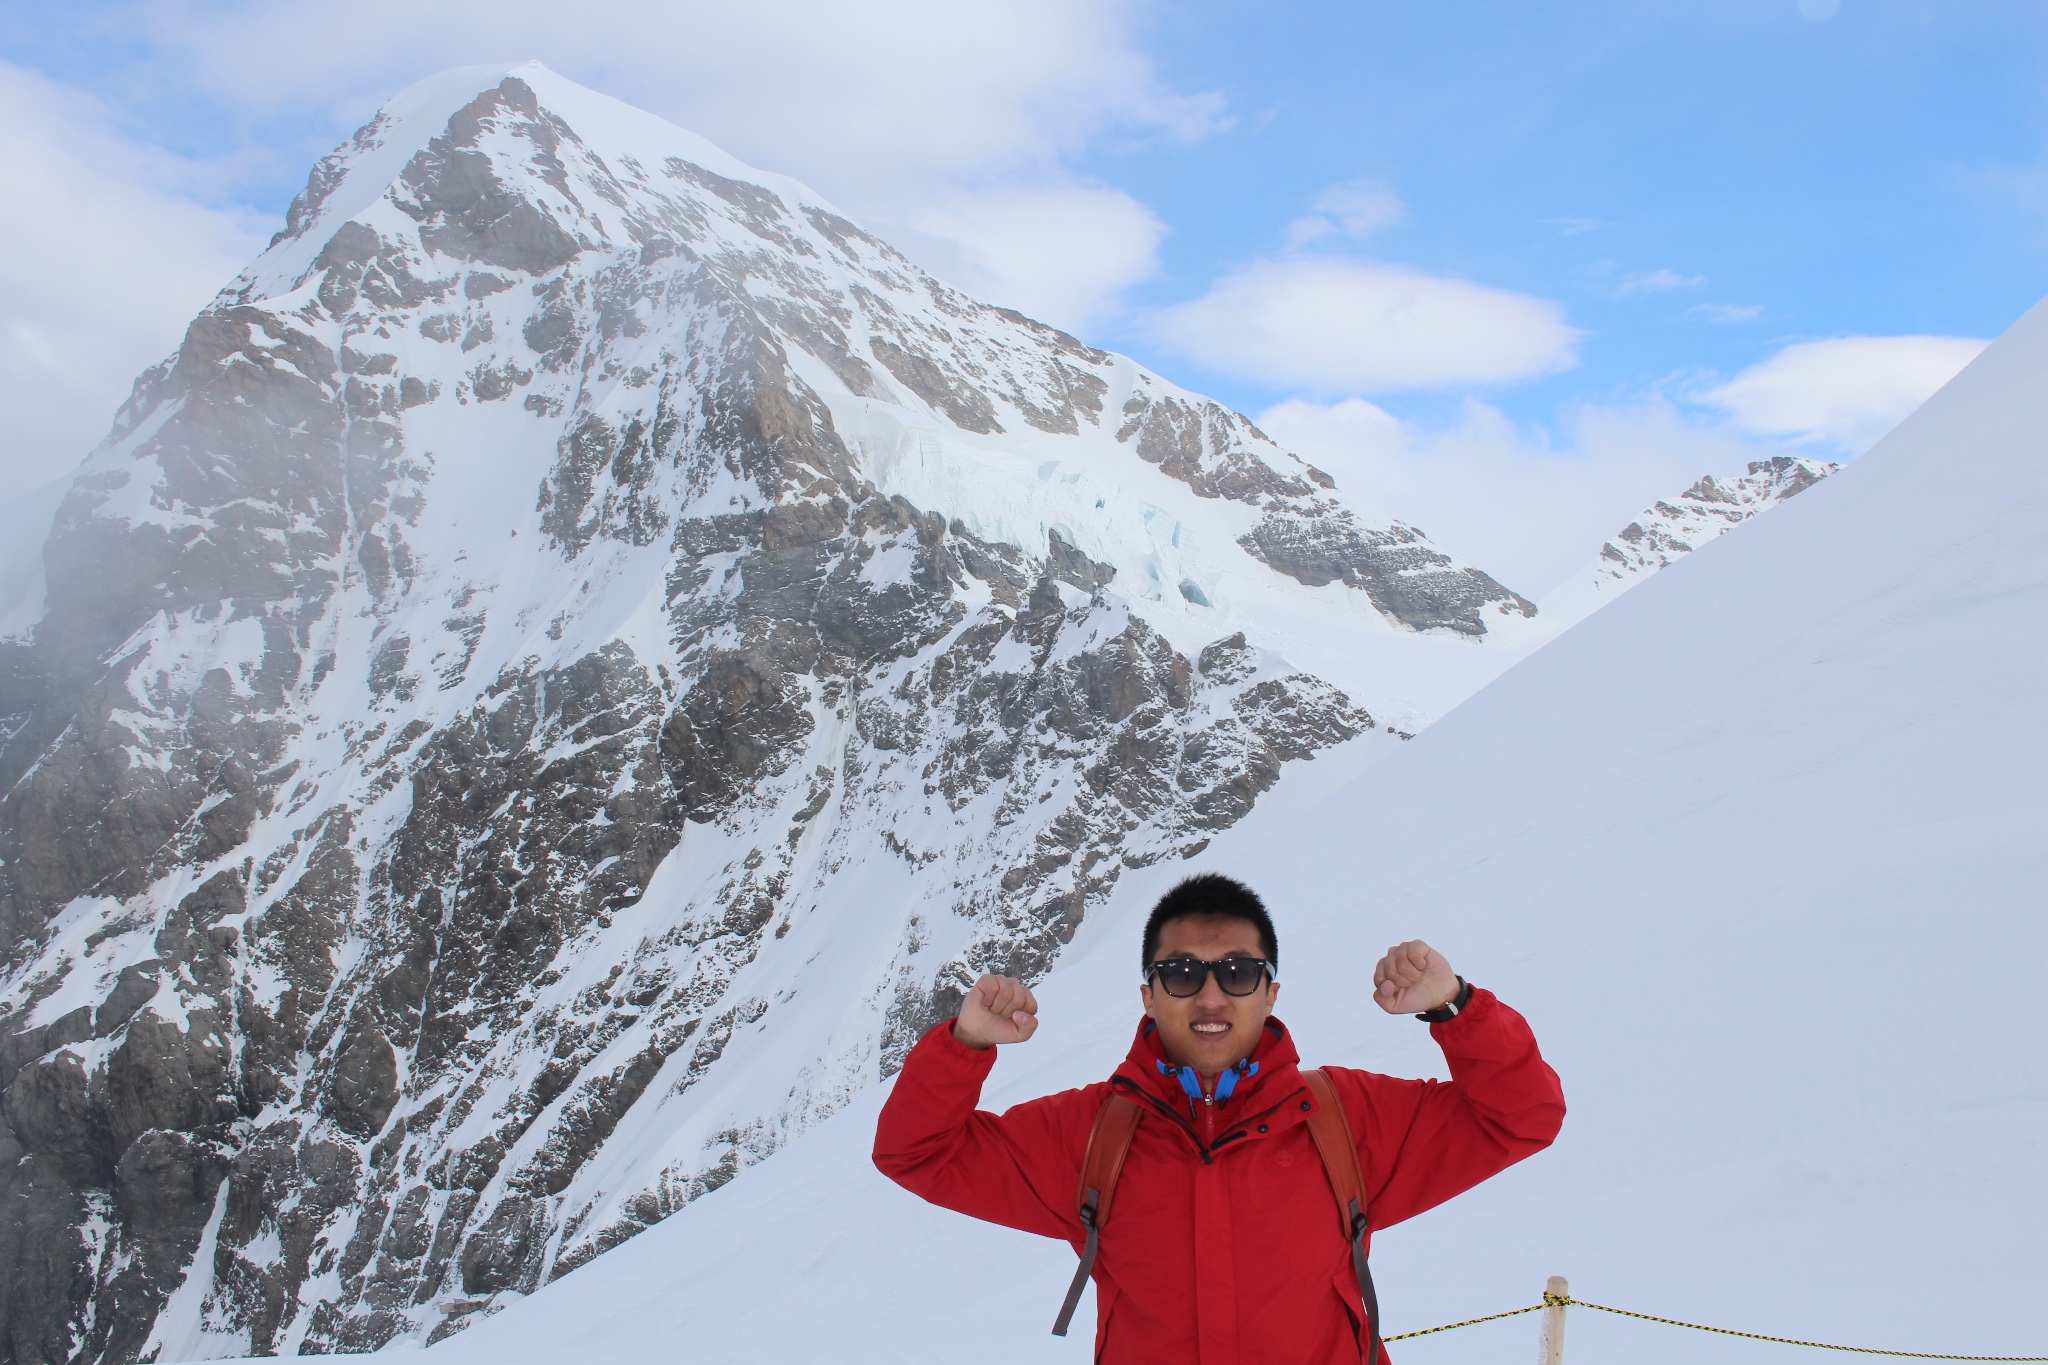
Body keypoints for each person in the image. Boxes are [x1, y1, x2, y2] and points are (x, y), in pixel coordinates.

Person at [873, 873, 1565, 1364]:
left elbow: (1522, 1117)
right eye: (1181, 973)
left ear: (1270, 991)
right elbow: (917, 1152)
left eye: (1237, 971)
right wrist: (964, 1046)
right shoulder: (1089, 1137)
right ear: (1148, 994)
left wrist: (1454, 1007)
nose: (1210, 995)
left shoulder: (1348, 1121)